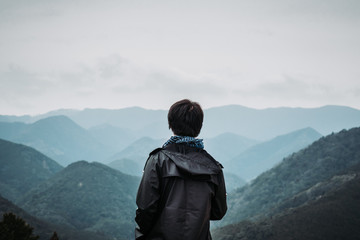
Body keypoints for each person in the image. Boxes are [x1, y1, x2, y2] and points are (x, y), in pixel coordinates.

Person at [135, 99, 227, 240]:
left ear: (171, 124)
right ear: (199, 126)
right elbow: (218, 212)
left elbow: (146, 208)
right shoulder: (214, 168)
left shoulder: (158, 161)